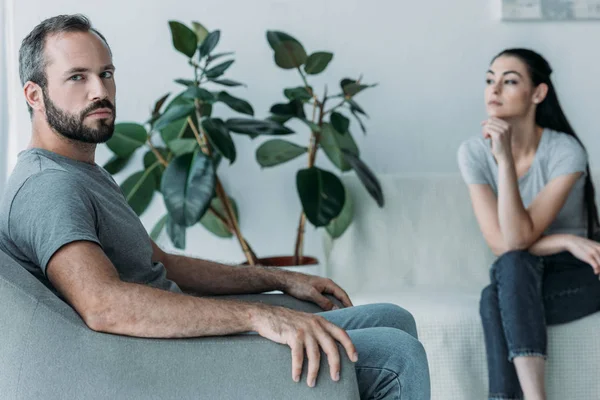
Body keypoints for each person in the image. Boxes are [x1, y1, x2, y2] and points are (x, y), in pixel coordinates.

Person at [0, 14, 430, 400]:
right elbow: (103, 304)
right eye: (77, 77)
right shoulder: (48, 187)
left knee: (393, 318)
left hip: (178, 337)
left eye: (106, 73)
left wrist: (280, 280)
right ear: (35, 95)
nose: (100, 91)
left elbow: (161, 263)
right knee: (397, 356)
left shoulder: (79, 172)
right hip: (157, 361)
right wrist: (257, 316)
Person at [458, 48, 600, 400]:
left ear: (538, 93)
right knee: (511, 267)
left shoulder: (565, 151)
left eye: (509, 81)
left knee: (496, 296)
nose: (494, 89)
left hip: (582, 272)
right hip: (523, 269)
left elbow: (516, 238)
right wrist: (563, 239)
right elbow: (502, 243)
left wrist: (505, 160)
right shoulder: (474, 153)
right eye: (490, 80)